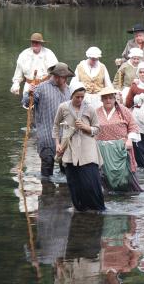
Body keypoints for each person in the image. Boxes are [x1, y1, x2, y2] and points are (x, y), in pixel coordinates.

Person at [52, 81, 105, 212]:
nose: (80, 99)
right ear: (72, 95)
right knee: (74, 183)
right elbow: (56, 126)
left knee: (91, 182)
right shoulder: (63, 108)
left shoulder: (90, 109)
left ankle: (97, 208)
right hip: (69, 149)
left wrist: (86, 127)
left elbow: (98, 129)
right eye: (77, 97)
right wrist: (57, 144)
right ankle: (79, 207)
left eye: (82, 96)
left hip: (88, 149)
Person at [22, 62, 73, 177]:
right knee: (46, 172)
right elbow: (26, 103)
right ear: (56, 76)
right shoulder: (41, 88)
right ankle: (47, 193)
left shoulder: (68, 90)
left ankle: (64, 193)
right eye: (63, 77)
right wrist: (29, 93)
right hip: (46, 136)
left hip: (65, 138)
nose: (65, 80)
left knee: (66, 173)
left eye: (66, 77)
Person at [95, 87, 143, 192]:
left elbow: (133, 126)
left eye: (110, 98)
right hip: (103, 149)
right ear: (101, 99)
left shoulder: (123, 111)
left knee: (126, 177)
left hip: (121, 148)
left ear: (114, 98)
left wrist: (130, 139)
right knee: (104, 176)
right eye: (105, 98)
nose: (108, 100)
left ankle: (128, 196)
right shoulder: (96, 112)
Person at [11, 32, 58, 97]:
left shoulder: (49, 54)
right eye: (33, 42)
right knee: (28, 105)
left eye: (37, 42)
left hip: (46, 86)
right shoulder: (23, 55)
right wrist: (16, 84)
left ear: (41, 43)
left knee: (45, 106)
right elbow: (18, 74)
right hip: (29, 86)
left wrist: (55, 86)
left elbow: (56, 72)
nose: (35, 44)